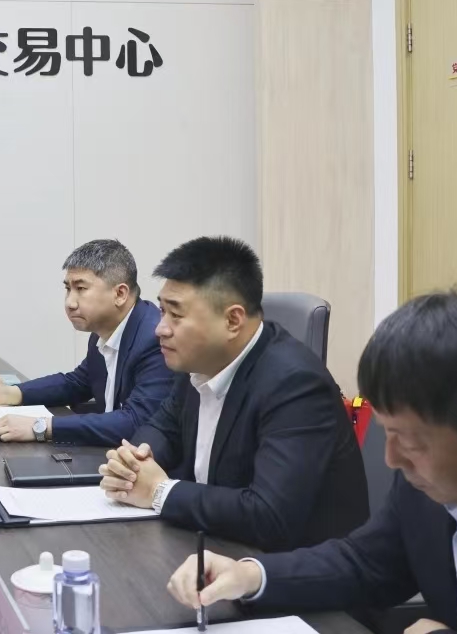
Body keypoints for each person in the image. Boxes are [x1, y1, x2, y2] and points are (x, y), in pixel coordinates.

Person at [165, 292, 457, 634]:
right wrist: (250, 575)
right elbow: (365, 563)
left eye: (411, 440)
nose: (391, 458)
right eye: (386, 432)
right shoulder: (426, 488)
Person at [98, 236, 368, 551]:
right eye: (162, 311)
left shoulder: (296, 385)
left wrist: (159, 491)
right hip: (213, 542)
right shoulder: (198, 362)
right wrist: (136, 461)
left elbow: (269, 516)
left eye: (176, 315)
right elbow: (162, 427)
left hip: (288, 566)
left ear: (232, 320)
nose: (161, 328)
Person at [0, 239, 174, 445]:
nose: (70, 303)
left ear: (120, 294)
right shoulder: (104, 330)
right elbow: (77, 383)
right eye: (68, 289)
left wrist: (42, 427)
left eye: (81, 289)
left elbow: (136, 422)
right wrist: (9, 393)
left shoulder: (155, 339)